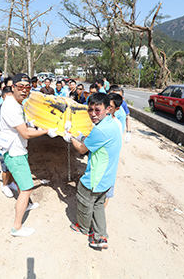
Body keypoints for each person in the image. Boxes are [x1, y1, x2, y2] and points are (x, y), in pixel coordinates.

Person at [0, 73, 58, 237]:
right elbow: (25, 133)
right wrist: (45, 131)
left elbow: (23, 125)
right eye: (21, 87)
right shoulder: (11, 106)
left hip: (16, 150)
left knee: (20, 181)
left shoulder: (15, 103)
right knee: (27, 188)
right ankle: (17, 227)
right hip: (14, 153)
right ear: (13, 87)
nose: (24, 91)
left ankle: (26, 204)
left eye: (28, 87)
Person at [64, 93, 122, 250]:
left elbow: (83, 149)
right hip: (107, 179)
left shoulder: (100, 131)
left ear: (108, 109)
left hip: (94, 179)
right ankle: (101, 236)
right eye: (90, 110)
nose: (93, 114)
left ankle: (83, 228)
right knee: (98, 205)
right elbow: (95, 143)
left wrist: (70, 138)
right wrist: (83, 137)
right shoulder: (112, 124)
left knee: (84, 202)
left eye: (98, 110)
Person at [0, 86, 18, 197]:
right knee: (5, 167)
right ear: (3, 97)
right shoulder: (1, 109)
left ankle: (11, 182)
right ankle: (4, 185)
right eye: (8, 97)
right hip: (3, 143)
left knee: (12, 166)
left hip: (12, 141)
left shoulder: (12, 107)